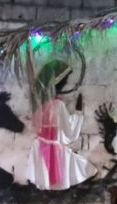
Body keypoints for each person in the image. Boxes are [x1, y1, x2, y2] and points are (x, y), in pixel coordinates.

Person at [26, 60, 97, 190]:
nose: (66, 83)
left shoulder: (38, 104)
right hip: (53, 148)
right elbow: (69, 131)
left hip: (39, 146)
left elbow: (37, 127)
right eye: (65, 80)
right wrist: (78, 114)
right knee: (82, 166)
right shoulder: (58, 106)